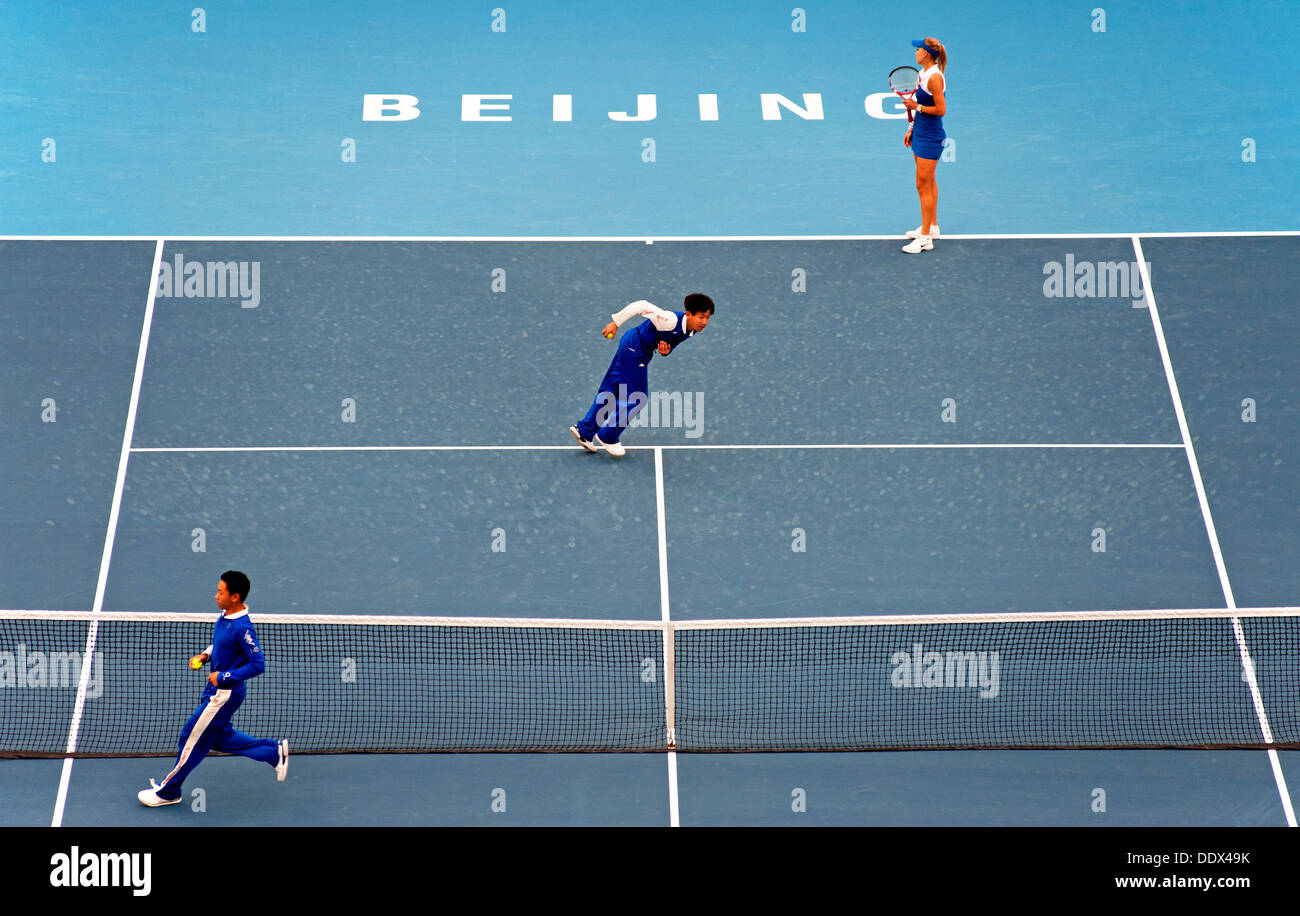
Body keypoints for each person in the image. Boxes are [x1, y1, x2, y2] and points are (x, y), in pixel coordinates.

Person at [137, 571, 288, 807]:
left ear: (235, 596)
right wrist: (206, 655)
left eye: (220, 592)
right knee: (218, 738)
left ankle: (168, 792)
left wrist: (226, 675)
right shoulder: (226, 616)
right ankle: (272, 752)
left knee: (191, 738)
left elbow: (258, 665)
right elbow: (221, 645)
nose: (215, 595)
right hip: (215, 690)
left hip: (224, 695)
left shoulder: (242, 628)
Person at [570, 294, 714, 457]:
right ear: (688, 314)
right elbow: (641, 306)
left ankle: (584, 430)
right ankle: (608, 435)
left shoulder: (692, 330)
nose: (704, 322)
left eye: (708, 317)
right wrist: (616, 323)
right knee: (638, 397)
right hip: (634, 349)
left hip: (633, 347)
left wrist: (665, 352)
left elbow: (669, 343)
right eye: (701, 317)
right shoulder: (669, 320)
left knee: (611, 389)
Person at [901, 37, 948, 254]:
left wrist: (916, 106)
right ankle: (933, 227)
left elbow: (941, 110)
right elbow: (919, 108)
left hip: (931, 137)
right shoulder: (923, 74)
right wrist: (911, 129)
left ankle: (925, 239)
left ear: (926, 54)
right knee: (929, 182)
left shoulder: (935, 78)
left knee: (922, 185)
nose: (915, 52)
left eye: (918, 49)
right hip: (920, 132)